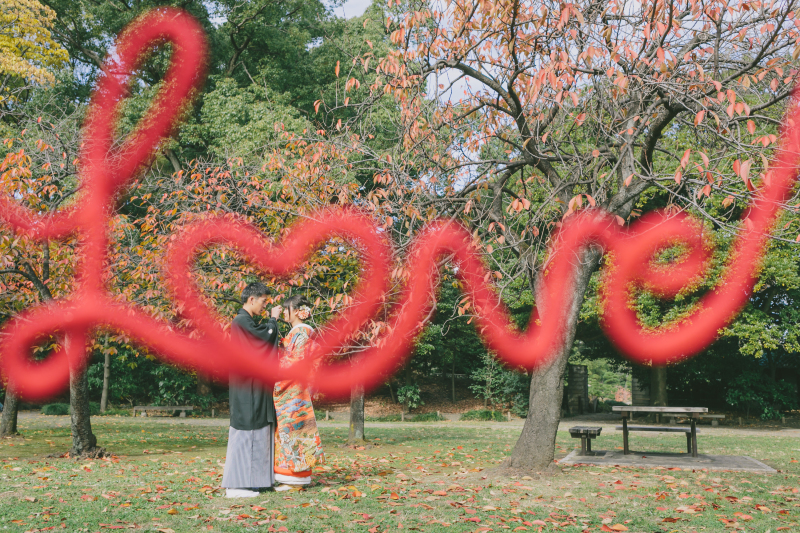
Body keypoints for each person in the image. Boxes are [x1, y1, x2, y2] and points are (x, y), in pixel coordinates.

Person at [221, 281, 283, 498]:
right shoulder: (241, 321)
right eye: (263, 301)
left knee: (259, 431)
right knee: (246, 431)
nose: (264, 306)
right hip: (247, 388)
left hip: (254, 386)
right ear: (251, 299)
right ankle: (237, 486)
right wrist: (273, 319)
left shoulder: (246, 322)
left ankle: (256, 482)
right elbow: (263, 338)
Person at [273, 295, 325, 490]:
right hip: (295, 389)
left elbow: (293, 362)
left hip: (293, 389)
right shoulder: (299, 333)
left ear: (295, 311)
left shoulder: (301, 333)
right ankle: (291, 477)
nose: (283, 312)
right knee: (293, 431)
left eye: (285, 309)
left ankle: (295, 479)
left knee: (292, 431)